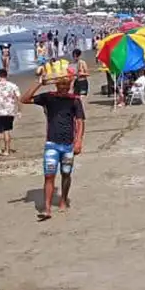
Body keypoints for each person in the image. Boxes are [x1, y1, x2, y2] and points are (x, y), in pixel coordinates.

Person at [21, 76, 85, 220]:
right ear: (56, 86)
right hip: (52, 143)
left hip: (68, 145)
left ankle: (63, 200)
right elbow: (24, 99)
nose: (63, 89)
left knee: (66, 173)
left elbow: (80, 122)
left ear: (69, 86)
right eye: (60, 86)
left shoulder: (74, 100)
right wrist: (39, 83)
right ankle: (47, 208)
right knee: (49, 175)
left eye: (66, 86)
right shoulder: (48, 98)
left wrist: (78, 141)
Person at [0, 68, 21, 158]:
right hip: (10, 111)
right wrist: (19, 111)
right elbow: (19, 99)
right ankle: (7, 150)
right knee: (6, 131)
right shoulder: (13, 85)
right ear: (6, 76)